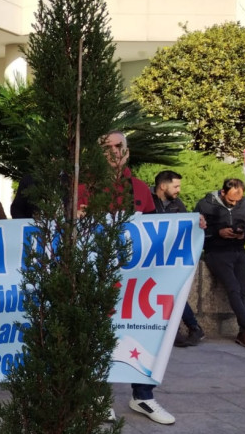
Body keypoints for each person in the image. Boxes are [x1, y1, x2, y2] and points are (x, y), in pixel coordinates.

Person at [87, 131, 174, 426]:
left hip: (136, 282)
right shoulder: (84, 186)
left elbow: (156, 228)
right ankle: (98, 397)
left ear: (127, 150)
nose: (113, 151)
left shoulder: (139, 187)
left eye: (118, 146)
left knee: (143, 332)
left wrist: (193, 225)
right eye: (106, 147)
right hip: (99, 277)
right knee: (101, 335)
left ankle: (143, 396)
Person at [195, 178, 245, 349]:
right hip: (217, 252)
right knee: (233, 289)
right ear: (222, 192)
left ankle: (244, 334)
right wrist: (218, 232)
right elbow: (197, 231)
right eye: (231, 200)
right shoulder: (205, 205)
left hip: (239, 251)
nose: (235, 203)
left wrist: (244, 234)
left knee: (242, 291)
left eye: (238, 200)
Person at [152, 170, 206, 347]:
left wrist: (198, 222)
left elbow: (187, 223)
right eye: (175, 186)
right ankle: (188, 328)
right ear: (162, 186)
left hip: (170, 256)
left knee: (171, 291)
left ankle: (182, 330)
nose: (178, 190)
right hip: (150, 255)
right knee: (169, 292)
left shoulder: (177, 204)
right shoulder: (149, 200)